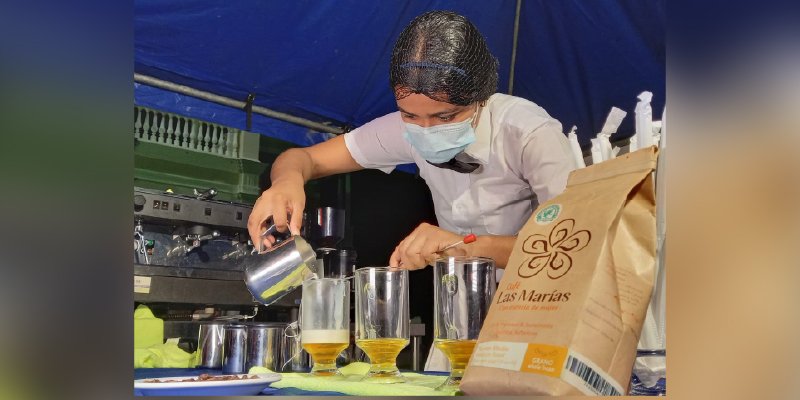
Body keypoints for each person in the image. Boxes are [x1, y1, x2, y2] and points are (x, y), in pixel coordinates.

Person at [247, 10, 577, 370]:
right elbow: (304, 158)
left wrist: (459, 247)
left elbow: (574, 244)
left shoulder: (529, 133)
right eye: (409, 115)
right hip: (461, 316)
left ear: (482, 96)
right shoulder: (408, 129)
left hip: (540, 308)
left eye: (445, 117)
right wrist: (286, 183)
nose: (426, 130)